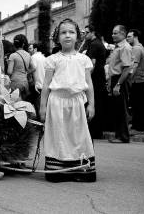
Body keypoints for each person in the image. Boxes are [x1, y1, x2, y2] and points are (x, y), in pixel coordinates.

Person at [40, 18, 96, 182]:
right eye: (63, 32)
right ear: (57, 37)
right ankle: (57, 171)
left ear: (77, 36)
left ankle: (80, 169)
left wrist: (91, 104)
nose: (67, 35)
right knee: (59, 136)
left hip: (77, 102)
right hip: (57, 102)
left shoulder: (83, 59)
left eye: (71, 32)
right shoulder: (53, 59)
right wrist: (42, 107)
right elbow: (46, 85)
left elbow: (89, 84)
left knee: (78, 135)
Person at [107, 25, 133, 143]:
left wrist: (118, 84)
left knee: (122, 108)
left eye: (116, 33)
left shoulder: (125, 48)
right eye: (112, 33)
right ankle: (118, 135)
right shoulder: (117, 47)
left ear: (123, 34)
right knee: (117, 108)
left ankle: (123, 136)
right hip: (114, 79)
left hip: (120, 79)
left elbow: (127, 68)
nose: (113, 35)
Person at [82, 25, 107, 139]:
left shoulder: (94, 45)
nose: (85, 35)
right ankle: (98, 131)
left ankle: (94, 131)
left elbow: (92, 64)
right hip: (99, 78)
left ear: (93, 33)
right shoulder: (98, 43)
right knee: (98, 104)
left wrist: (85, 79)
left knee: (94, 103)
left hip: (95, 79)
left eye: (87, 32)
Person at [126, 29, 144, 133]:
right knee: (139, 104)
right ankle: (139, 126)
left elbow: (134, 65)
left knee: (137, 105)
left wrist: (129, 78)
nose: (127, 38)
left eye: (129, 36)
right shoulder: (141, 48)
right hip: (141, 80)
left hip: (137, 80)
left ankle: (138, 127)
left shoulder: (136, 48)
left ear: (135, 37)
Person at [7, 34, 34, 100]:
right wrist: (26, 73)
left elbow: (9, 72)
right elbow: (33, 68)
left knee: (16, 105)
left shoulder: (13, 56)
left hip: (15, 82)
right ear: (23, 44)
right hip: (25, 82)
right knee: (23, 103)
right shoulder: (28, 55)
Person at [28, 43, 46, 119]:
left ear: (35, 49)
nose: (29, 50)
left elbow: (34, 68)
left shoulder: (33, 57)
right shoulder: (44, 57)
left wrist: (26, 72)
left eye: (30, 48)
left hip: (37, 84)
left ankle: (40, 123)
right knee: (43, 105)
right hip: (44, 84)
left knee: (38, 105)